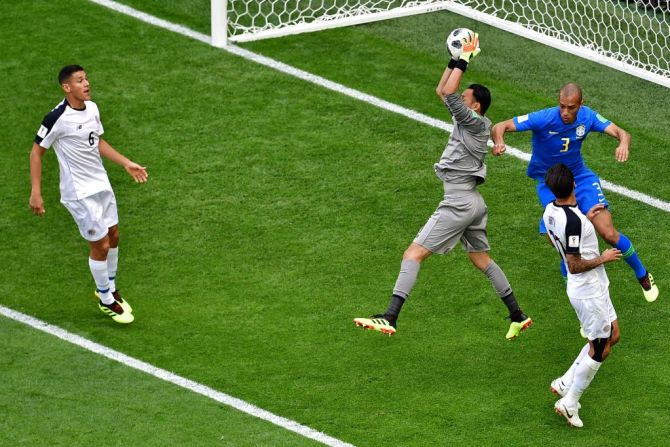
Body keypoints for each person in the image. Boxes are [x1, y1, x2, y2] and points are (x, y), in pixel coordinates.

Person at [354, 32, 532, 340]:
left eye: (465, 98)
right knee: (481, 259)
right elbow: (443, 91)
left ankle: (390, 316)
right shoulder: (472, 122)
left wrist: (463, 58)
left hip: (458, 203)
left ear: (475, 106)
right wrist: (456, 59)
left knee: (413, 254)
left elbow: (449, 94)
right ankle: (517, 314)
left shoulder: (474, 122)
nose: (458, 98)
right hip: (473, 203)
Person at [491, 83, 658, 302]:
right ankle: (578, 300)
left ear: (581, 105)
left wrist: (623, 143)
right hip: (550, 182)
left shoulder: (587, 117)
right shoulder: (543, 118)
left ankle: (643, 275)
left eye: (571, 108)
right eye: (562, 106)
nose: (565, 112)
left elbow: (621, 133)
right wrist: (500, 141)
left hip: (579, 177)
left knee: (607, 233)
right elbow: (500, 126)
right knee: (561, 243)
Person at [29, 65, 148, 324]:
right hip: (79, 193)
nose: (86, 84)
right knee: (100, 244)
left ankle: (110, 286)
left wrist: (126, 163)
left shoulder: (92, 108)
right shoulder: (56, 118)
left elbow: (97, 140)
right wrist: (36, 192)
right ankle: (105, 299)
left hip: (101, 184)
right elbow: (36, 152)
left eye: (87, 79)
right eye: (80, 81)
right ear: (66, 87)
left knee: (114, 234)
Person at [542, 163, 621, 428]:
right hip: (587, 290)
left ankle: (564, 382)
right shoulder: (573, 222)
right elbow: (573, 265)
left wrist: (584, 220)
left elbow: (559, 238)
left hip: (596, 286)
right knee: (600, 348)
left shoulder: (550, 211)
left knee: (613, 336)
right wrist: (604, 257)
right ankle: (569, 402)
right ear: (574, 183)